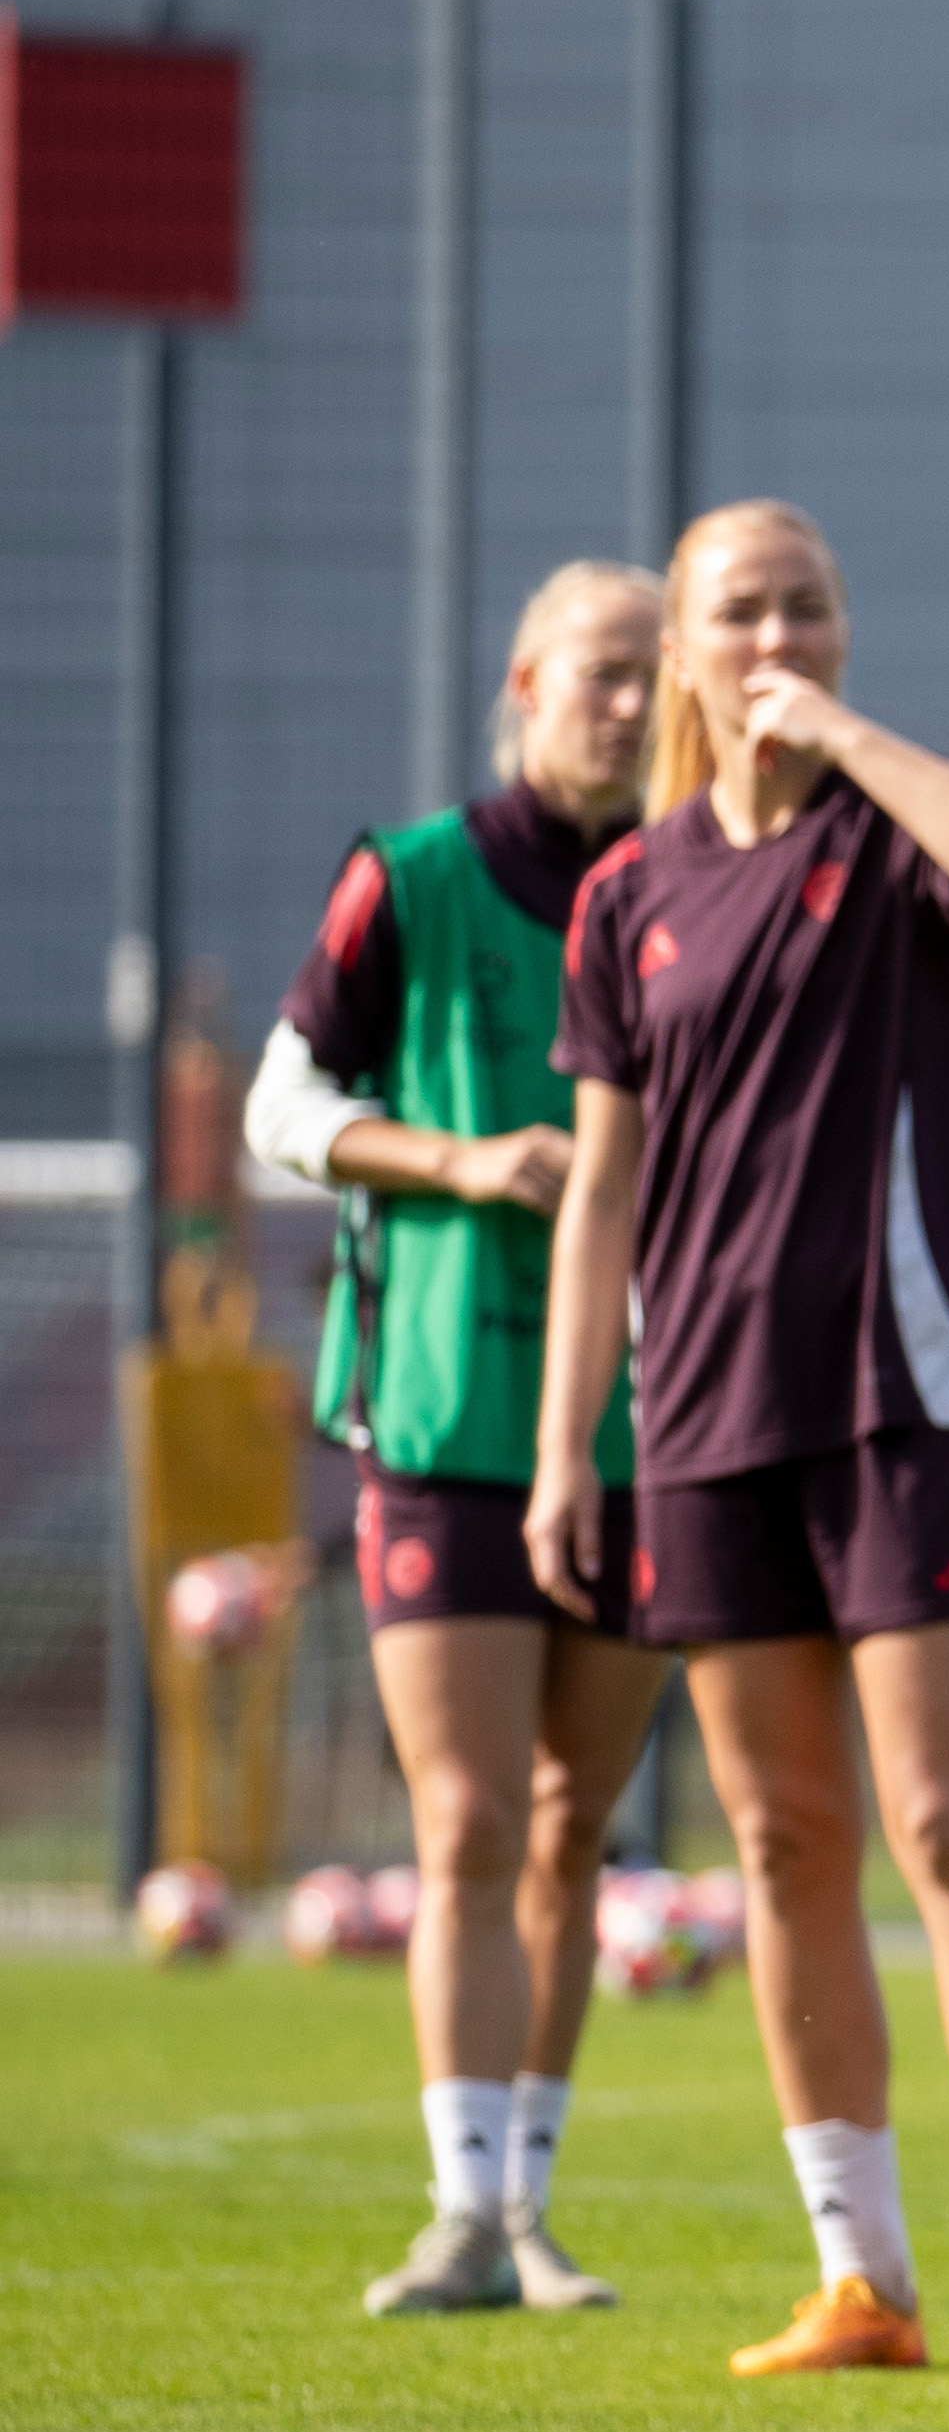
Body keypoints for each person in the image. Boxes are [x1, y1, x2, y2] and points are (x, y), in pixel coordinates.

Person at [527, 499, 949, 2385]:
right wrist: (566, 1448)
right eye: (740, 611)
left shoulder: (900, 836)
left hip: (913, 1402)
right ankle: (861, 2276)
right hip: (703, 1415)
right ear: (680, 647)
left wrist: (846, 740)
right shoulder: (629, 895)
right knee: (782, 1843)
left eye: (809, 606)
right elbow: (603, 1190)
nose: (776, 634)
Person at [248, 559, 681, 2318]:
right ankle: (462, 2213)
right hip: (442, 1416)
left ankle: (533, 2205)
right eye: (605, 669)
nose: (637, 702)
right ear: (525, 678)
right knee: (470, 1822)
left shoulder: (688, 892)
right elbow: (285, 1103)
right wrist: (461, 1158)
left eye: (661, 673)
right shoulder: (410, 877)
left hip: (650, 1430)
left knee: (581, 1830)